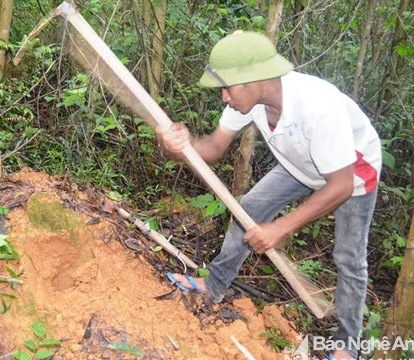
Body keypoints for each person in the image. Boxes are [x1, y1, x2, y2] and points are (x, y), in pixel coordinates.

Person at [156, 31, 381, 360]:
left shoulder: (318, 107)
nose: (223, 97)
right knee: (250, 209)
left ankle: (349, 343)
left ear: (253, 79)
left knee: (348, 258)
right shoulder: (249, 99)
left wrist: (281, 227)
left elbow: (340, 186)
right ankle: (214, 285)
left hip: (353, 174)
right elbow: (215, 148)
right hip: (301, 164)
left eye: (227, 88)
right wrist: (178, 147)